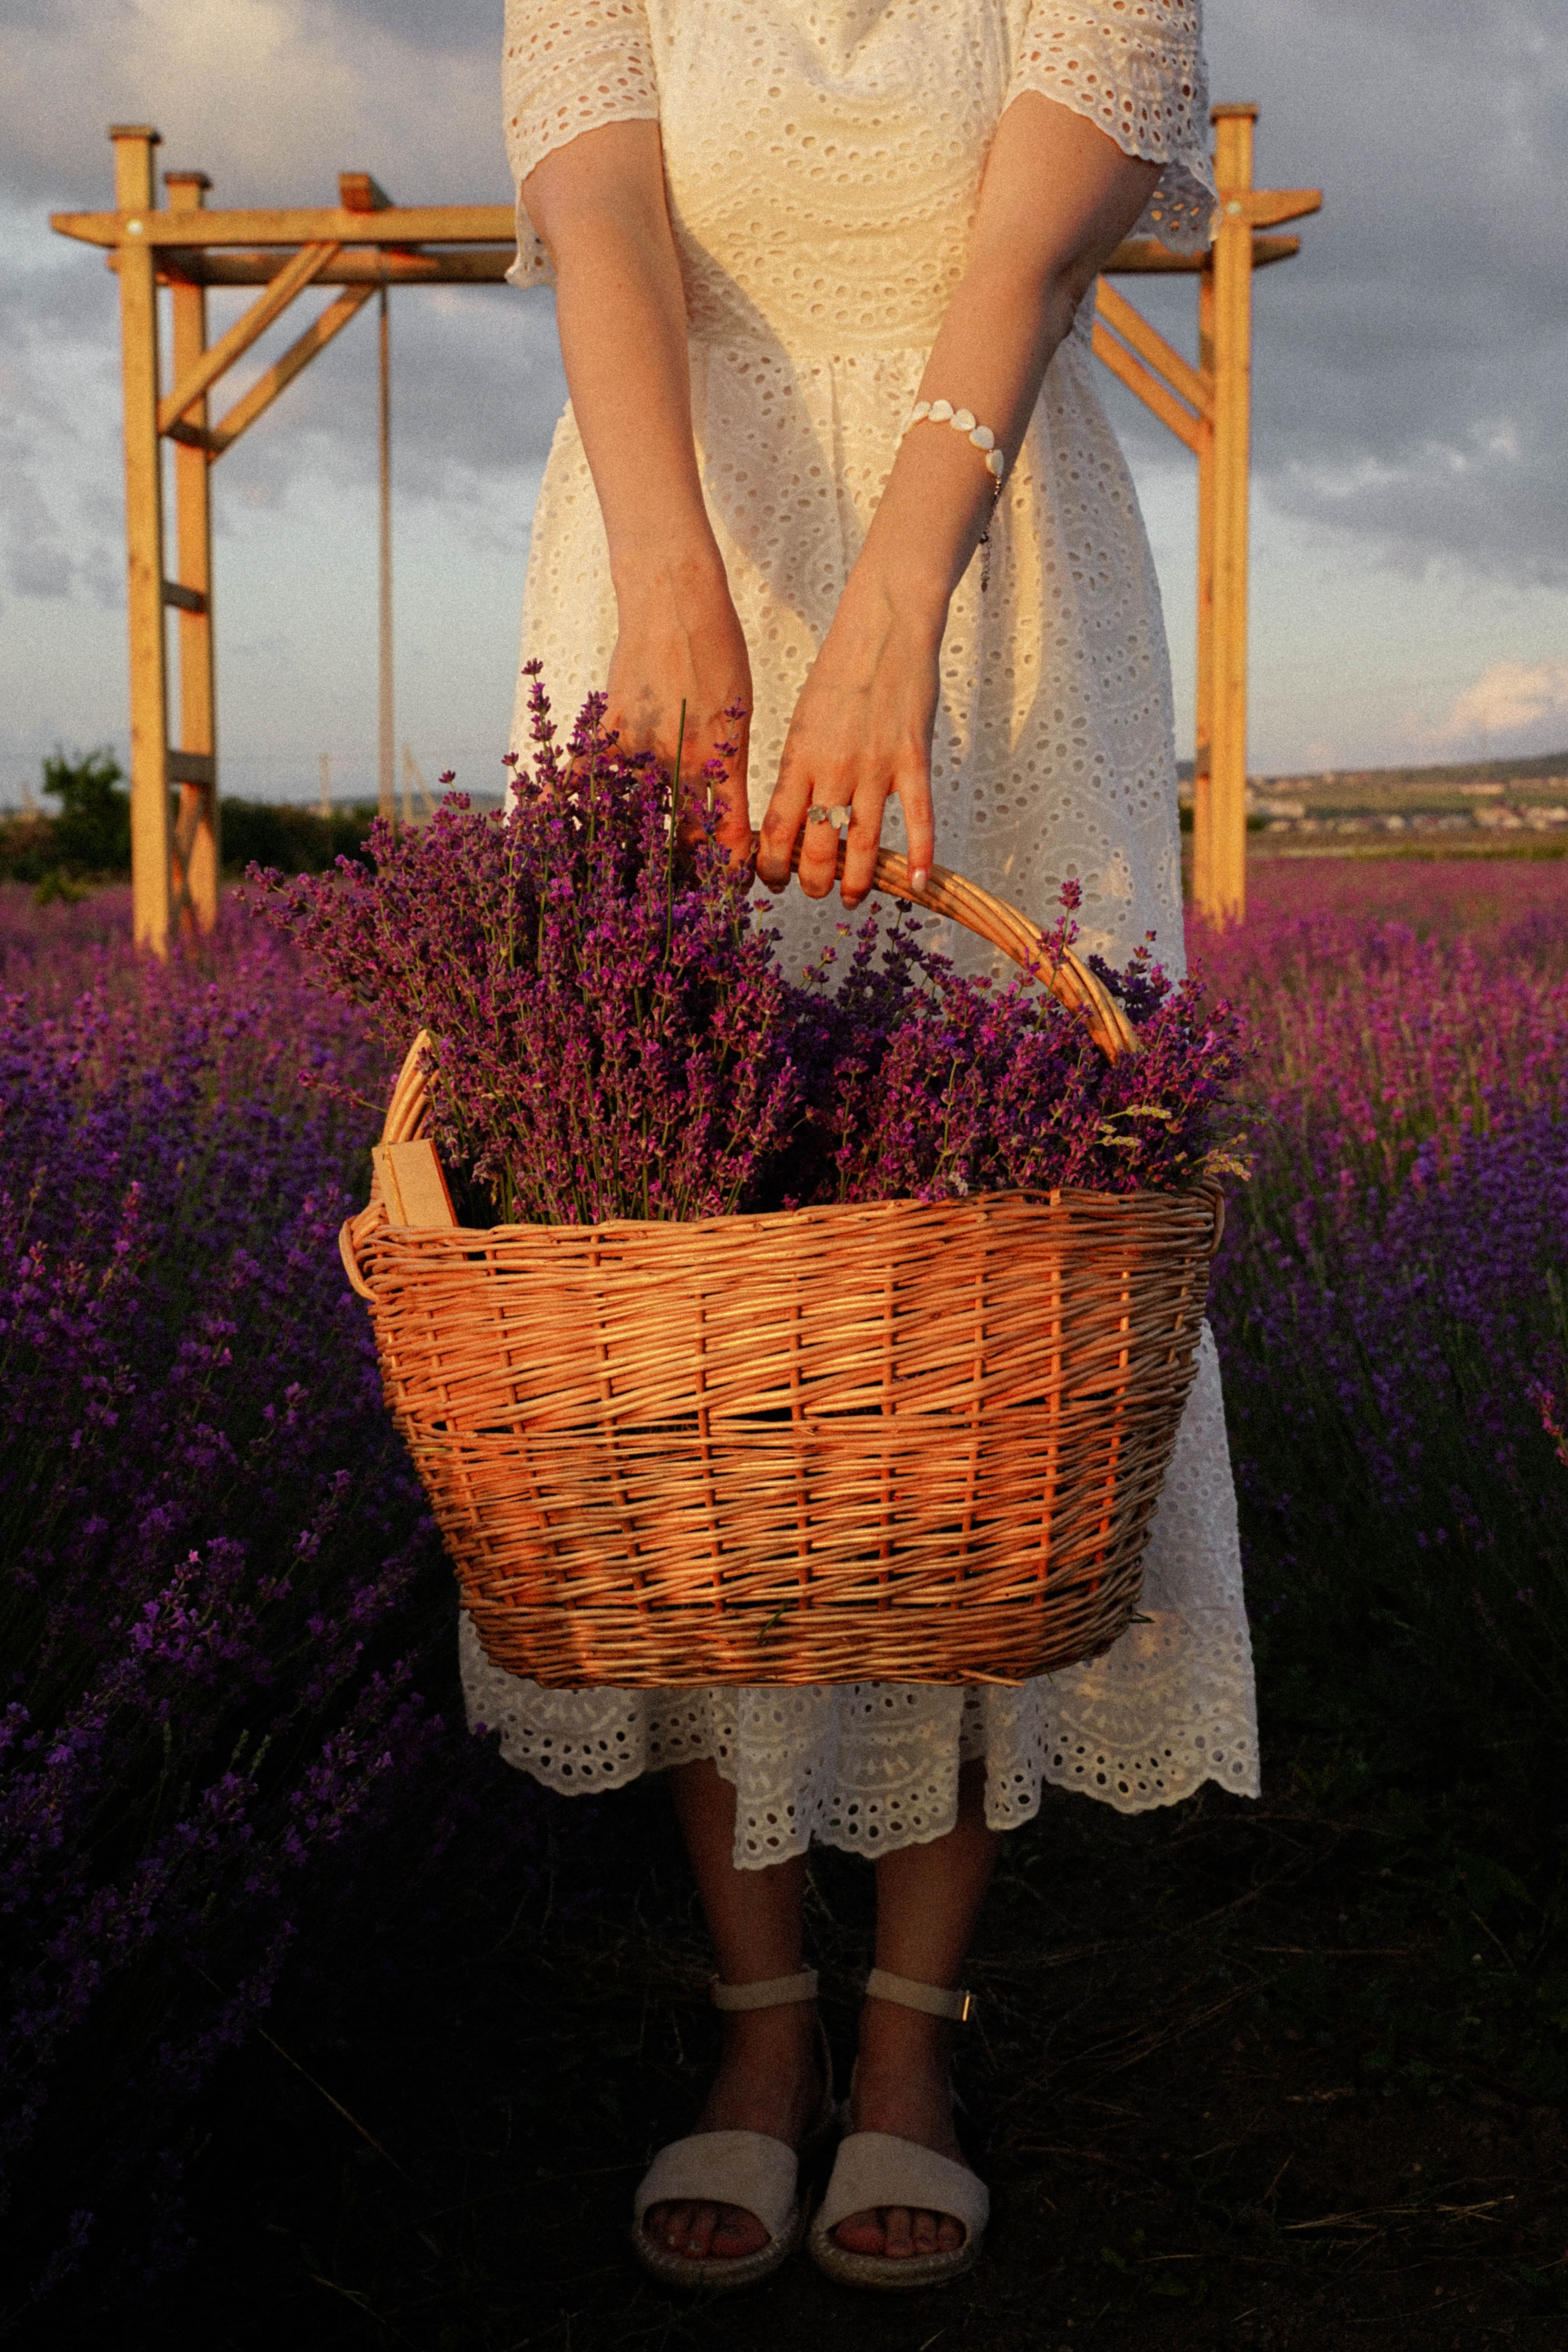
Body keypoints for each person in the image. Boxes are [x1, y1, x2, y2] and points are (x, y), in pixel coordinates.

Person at [467, 0, 1258, 2294]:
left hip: (989, 561)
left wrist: (901, 596)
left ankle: (907, 2029)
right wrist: (670, 575)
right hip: (663, 548)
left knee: (988, 1305)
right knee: (670, 1285)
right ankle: (756, 2019)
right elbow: (601, 203)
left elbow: (1021, 258)